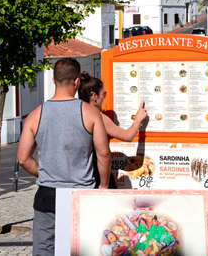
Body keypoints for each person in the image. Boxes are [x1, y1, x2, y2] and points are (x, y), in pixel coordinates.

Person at [17, 58, 111, 256]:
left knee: (45, 250)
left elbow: (23, 158)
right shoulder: (90, 113)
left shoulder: (35, 115)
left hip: (48, 195)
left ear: (53, 80)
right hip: (82, 196)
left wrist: (44, 172)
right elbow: (103, 153)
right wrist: (103, 186)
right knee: (83, 248)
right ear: (76, 82)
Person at [78, 72, 147, 141]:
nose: (104, 97)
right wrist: (138, 119)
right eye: (104, 94)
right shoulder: (98, 117)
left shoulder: (77, 113)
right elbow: (127, 136)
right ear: (94, 96)